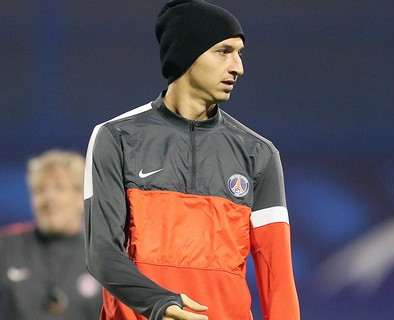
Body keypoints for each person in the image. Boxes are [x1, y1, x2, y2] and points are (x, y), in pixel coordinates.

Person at [83, 1, 300, 319]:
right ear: (187, 53)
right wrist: (161, 303)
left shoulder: (259, 154)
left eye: (239, 53)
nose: (238, 67)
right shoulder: (116, 137)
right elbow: (101, 254)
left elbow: (278, 280)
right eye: (224, 51)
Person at [0, 150, 102, 319]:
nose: (49, 198)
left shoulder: (104, 255)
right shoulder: (7, 248)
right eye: (40, 190)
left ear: (81, 197)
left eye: (59, 188)